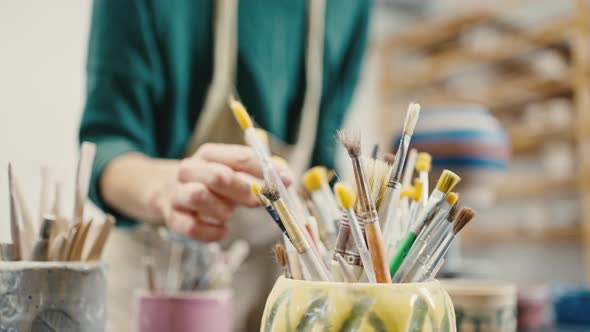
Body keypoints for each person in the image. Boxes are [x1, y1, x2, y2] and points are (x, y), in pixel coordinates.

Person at [79, 0, 371, 330]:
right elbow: (106, 144)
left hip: (282, 272)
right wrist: (164, 190)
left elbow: (323, 166)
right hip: (161, 272)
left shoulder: (352, 6)